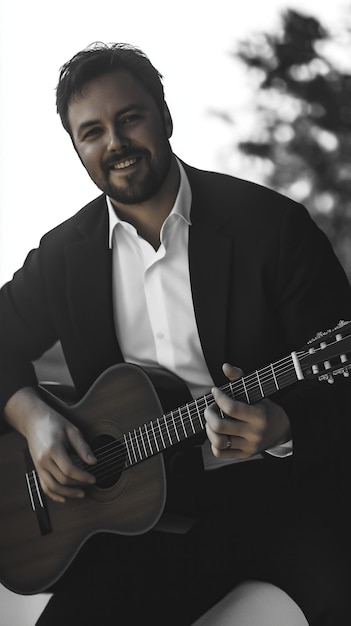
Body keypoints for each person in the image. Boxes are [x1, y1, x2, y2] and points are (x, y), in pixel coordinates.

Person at [0, 42, 351, 626]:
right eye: (92, 131)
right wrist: (32, 418)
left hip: (279, 497)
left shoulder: (273, 228)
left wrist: (286, 427)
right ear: (76, 147)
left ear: (164, 116)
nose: (114, 143)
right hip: (140, 520)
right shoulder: (63, 257)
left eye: (129, 118)